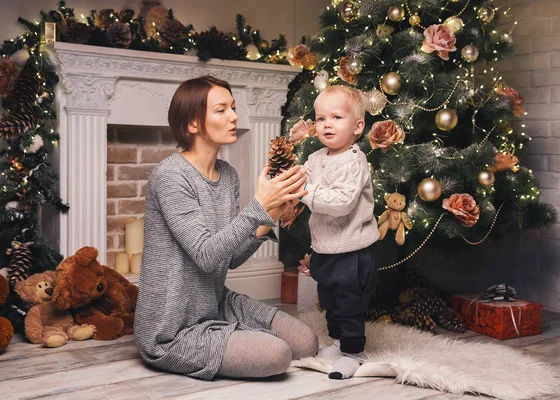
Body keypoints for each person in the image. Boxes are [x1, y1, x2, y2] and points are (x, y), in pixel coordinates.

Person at [134, 75, 318, 380]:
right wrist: (258, 205)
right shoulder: (170, 176)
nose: (234, 116)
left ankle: (233, 333)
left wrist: (271, 214)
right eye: (221, 110)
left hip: (215, 302)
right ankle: (232, 338)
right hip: (172, 328)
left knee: (306, 342)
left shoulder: (228, 175)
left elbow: (229, 258)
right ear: (193, 124)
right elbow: (206, 255)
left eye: (233, 108)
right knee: (277, 354)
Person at [298, 85, 379, 379]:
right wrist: (287, 176)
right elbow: (300, 178)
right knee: (329, 299)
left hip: (353, 250)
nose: (327, 124)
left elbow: (342, 203)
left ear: (357, 126)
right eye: (320, 119)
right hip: (324, 247)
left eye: (336, 117)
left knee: (350, 303)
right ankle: (337, 342)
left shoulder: (355, 160)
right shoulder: (317, 158)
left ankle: (353, 352)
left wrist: (304, 190)